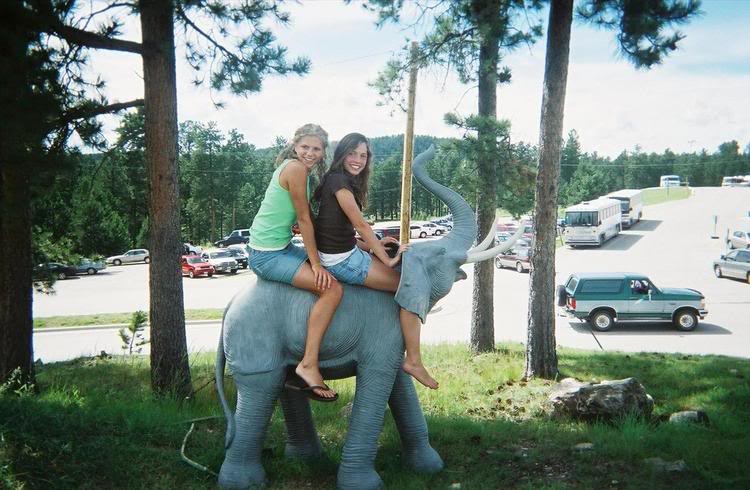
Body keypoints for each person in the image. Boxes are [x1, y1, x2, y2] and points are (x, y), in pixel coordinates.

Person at [313, 132, 438, 389]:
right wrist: (387, 260)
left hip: (345, 252)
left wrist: (373, 247)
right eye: (352, 154)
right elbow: (360, 224)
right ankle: (414, 360)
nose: (358, 160)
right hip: (341, 261)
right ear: (341, 154)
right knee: (409, 286)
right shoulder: (339, 182)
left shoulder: (338, 180)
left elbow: (337, 231)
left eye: (363, 155)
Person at [248, 124, 342, 401]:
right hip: (267, 255)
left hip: (280, 246)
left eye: (316, 149)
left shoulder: (302, 171)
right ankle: (308, 364)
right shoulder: (296, 169)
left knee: (329, 268)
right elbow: (303, 220)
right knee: (332, 289)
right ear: (294, 145)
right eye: (305, 147)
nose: (310, 153)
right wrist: (316, 264)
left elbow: (310, 219)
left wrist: (357, 241)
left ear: (324, 151)